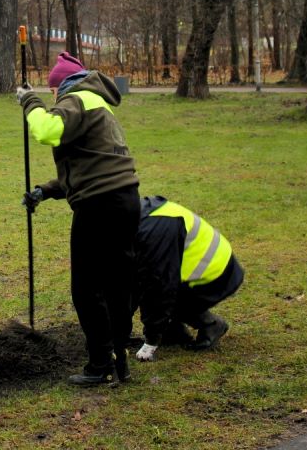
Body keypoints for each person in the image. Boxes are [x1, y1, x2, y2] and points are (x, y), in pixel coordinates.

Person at [18, 51, 140, 386]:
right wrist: (46, 190)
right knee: (117, 284)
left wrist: (29, 100)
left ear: (58, 88)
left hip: (99, 206)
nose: (53, 98)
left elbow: (47, 131)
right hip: (125, 199)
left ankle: (100, 365)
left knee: (86, 288)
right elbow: (91, 168)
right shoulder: (97, 103)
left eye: (51, 92)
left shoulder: (75, 100)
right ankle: (121, 360)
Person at [132, 195, 244, 360]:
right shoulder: (139, 215)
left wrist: (151, 339)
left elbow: (159, 286)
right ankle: (173, 331)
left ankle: (211, 324)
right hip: (198, 272)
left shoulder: (153, 230)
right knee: (146, 281)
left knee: (155, 289)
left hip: (217, 275)